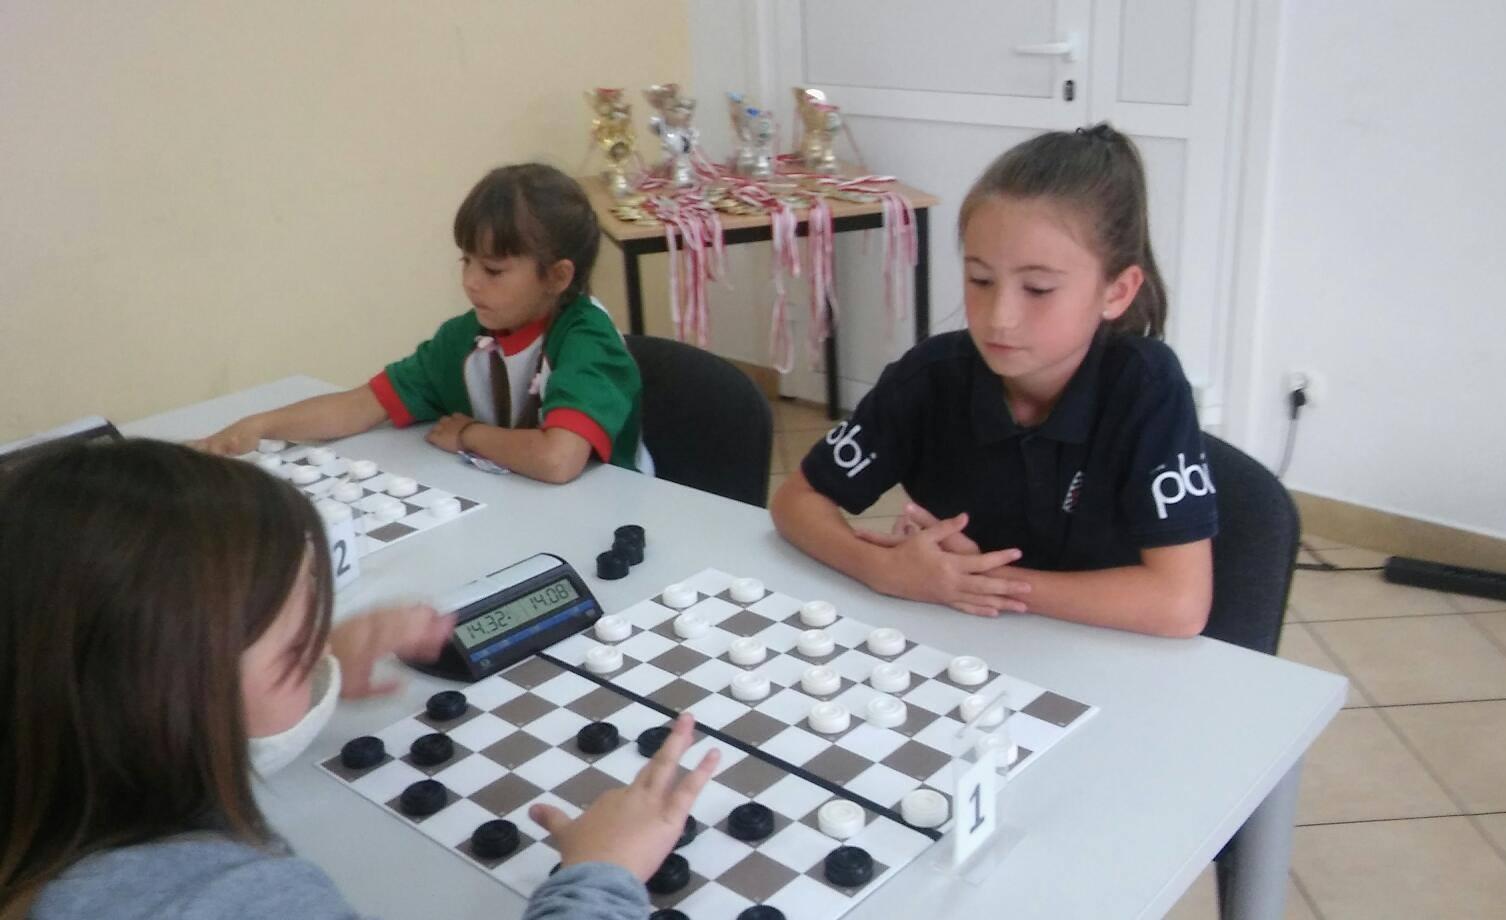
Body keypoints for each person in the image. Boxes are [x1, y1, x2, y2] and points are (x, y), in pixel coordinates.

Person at [0, 439, 717, 920]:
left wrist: (322, 667)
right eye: (298, 643)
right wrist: (603, 875)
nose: (319, 646)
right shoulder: (233, 900)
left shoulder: (55, 776)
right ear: (174, 694)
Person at [770, 125, 1217, 637]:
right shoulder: (931, 376)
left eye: (1038, 288)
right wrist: (884, 568)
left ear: (1116, 292)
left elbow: (1180, 604)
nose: (999, 318)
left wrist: (974, 580)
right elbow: (796, 501)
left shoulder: (1147, 386)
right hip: (960, 645)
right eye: (980, 279)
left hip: (1100, 650)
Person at [193, 163, 651, 483]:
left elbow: (557, 460)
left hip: (617, 519)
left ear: (557, 277)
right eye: (466, 261)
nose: (470, 282)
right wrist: (260, 425)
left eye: (493, 270)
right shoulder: (464, 338)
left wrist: (469, 435)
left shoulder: (587, 340)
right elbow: (362, 405)